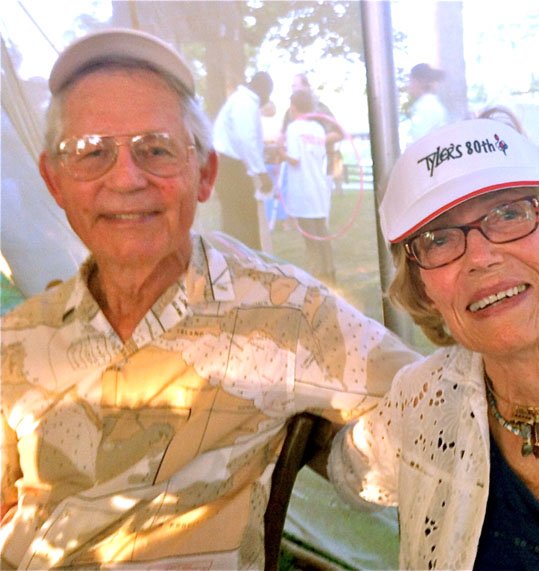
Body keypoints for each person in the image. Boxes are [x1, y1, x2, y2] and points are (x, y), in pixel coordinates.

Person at [0, 29, 419, 570]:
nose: (126, 179)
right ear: (53, 183)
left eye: (156, 150)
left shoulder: (283, 312)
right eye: (91, 152)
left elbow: (436, 413)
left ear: (205, 174)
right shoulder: (18, 339)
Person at [328, 113, 539, 570]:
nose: (482, 257)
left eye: (509, 214)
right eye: (439, 239)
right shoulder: (422, 400)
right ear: (424, 289)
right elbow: (352, 471)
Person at [213, 71, 274, 250]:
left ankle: (247, 264)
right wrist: (262, 174)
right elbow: (246, 141)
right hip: (230, 167)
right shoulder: (244, 102)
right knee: (240, 224)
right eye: (268, 93)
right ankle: (243, 267)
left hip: (231, 166)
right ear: (262, 89)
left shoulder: (243, 101)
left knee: (243, 220)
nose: (267, 98)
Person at [280, 89, 336, 284]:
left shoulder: (294, 128)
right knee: (323, 236)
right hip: (318, 189)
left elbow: (294, 159)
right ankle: (330, 274)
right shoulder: (318, 128)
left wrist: (281, 153)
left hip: (303, 192)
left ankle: (319, 279)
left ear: (293, 108)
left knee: (312, 240)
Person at [280, 73, 344, 192]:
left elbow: (338, 133)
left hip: (319, 165)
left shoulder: (320, 109)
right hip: (297, 168)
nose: (292, 89)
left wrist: (316, 140)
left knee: (319, 200)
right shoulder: (290, 112)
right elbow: (283, 134)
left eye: (295, 86)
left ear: (306, 87)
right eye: (292, 86)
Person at [405, 63, 449, 146]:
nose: (409, 85)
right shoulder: (432, 105)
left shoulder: (425, 108)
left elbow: (417, 141)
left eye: (410, 81)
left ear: (419, 82)